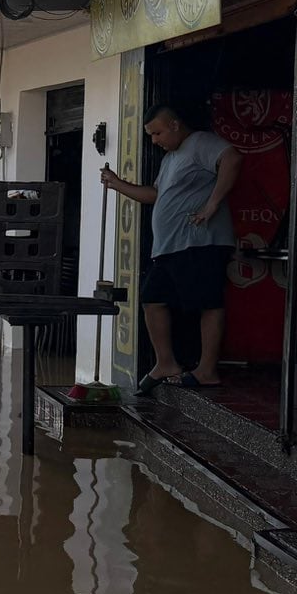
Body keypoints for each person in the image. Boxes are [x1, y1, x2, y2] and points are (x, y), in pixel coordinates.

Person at [100, 102, 241, 394]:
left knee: (208, 304)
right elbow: (155, 195)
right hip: (170, 247)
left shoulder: (199, 142)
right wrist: (116, 184)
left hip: (199, 242)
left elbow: (232, 159)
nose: (155, 141)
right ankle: (166, 363)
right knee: (152, 299)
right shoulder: (170, 159)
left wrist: (211, 204)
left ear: (175, 124)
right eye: (151, 135)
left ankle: (207, 370)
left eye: (157, 133)